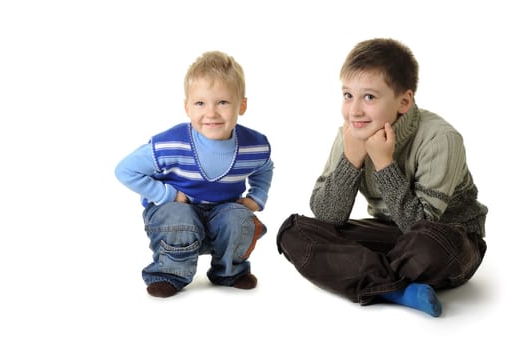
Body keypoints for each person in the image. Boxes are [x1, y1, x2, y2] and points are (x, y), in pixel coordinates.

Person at [276, 38, 487, 317]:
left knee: (428, 246)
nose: (355, 110)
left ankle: (362, 273)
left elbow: (419, 226)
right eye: (348, 95)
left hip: (449, 238)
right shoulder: (351, 134)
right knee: (294, 232)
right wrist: (351, 160)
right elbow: (327, 218)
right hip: (390, 233)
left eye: (369, 97)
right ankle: (397, 290)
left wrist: (384, 163)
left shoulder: (440, 138)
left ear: (404, 101)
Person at [115, 51, 274, 298]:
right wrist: (167, 194)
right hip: (175, 215)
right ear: (187, 107)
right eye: (200, 103)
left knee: (239, 218)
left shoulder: (254, 145)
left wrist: (257, 197)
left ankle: (229, 272)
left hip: (221, 215)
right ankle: (169, 273)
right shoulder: (170, 144)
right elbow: (125, 170)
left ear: (241, 105)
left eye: (222, 102)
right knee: (179, 216)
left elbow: (264, 167)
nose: (211, 113)